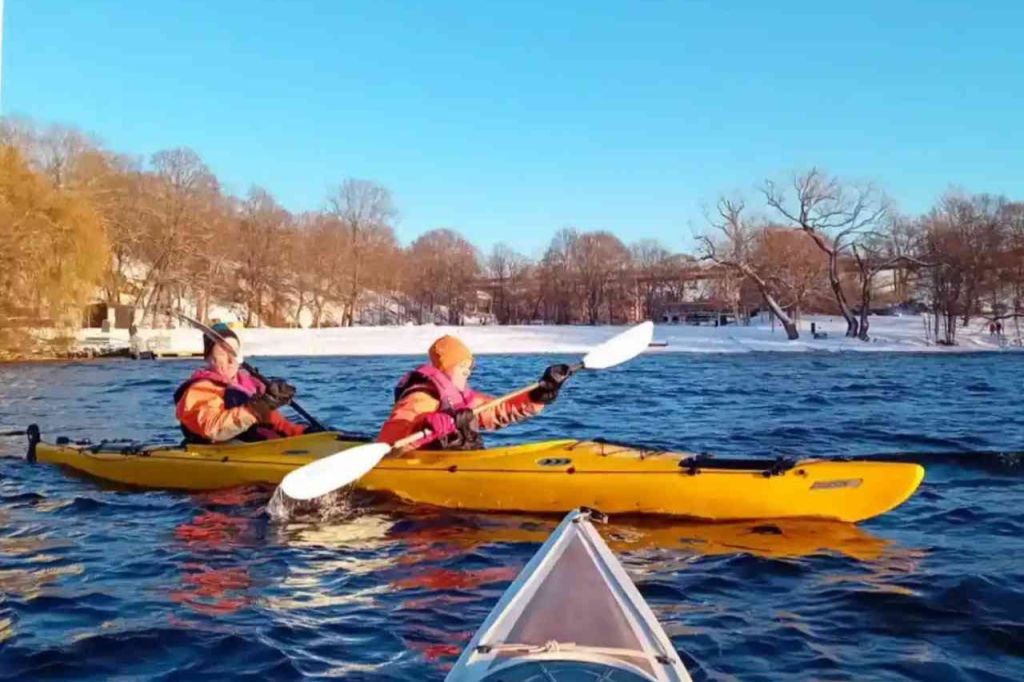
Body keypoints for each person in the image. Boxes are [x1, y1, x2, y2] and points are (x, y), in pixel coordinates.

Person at [378, 335, 570, 451]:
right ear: (445, 369)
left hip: (456, 461)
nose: (468, 371)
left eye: (469, 367)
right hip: (424, 467)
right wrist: (423, 426)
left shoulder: (465, 398)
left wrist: (536, 396)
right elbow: (389, 442)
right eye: (462, 366)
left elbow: (501, 410)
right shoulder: (420, 398)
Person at [174, 322, 308, 443]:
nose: (231, 360)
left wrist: (302, 433)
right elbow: (213, 429)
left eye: (234, 353)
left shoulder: (250, 386)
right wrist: (255, 409)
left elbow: (278, 424)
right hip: (221, 452)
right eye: (222, 353)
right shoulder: (201, 389)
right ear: (208, 358)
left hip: (259, 447)